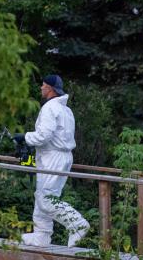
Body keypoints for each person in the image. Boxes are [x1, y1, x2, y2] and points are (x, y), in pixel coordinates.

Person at [13, 75, 90, 247]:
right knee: (43, 196)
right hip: (60, 156)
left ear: (50, 88)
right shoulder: (66, 110)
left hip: (53, 157)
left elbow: (44, 136)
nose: (41, 88)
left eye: (43, 85)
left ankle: (77, 224)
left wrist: (24, 137)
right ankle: (42, 236)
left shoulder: (49, 108)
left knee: (46, 199)